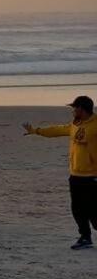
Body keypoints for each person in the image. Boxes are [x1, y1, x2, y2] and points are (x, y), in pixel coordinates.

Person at [24, 95, 96, 250]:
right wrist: (37, 131)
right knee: (77, 208)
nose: (72, 110)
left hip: (93, 176)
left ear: (82, 109)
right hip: (76, 174)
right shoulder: (75, 124)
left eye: (74, 108)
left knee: (92, 211)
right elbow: (58, 130)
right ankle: (85, 237)